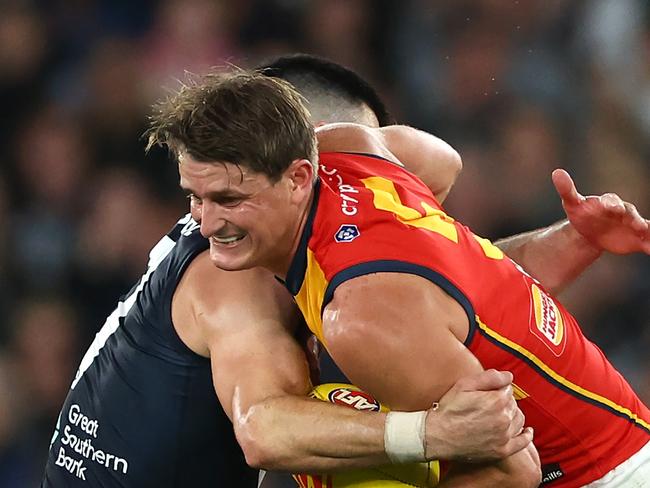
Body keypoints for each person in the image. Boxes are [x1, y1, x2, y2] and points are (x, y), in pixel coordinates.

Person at [145, 69, 650, 487]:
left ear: (299, 178)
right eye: (195, 196)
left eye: (230, 200)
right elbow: (444, 162)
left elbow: (512, 471)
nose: (205, 224)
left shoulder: (361, 318)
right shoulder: (356, 149)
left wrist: (420, 435)